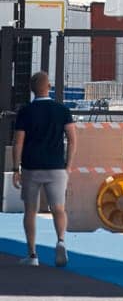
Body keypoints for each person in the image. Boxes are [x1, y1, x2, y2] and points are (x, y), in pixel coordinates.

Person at [11, 72, 75, 267]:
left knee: (30, 210)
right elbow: (72, 139)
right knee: (58, 208)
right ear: (49, 86)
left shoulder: (25, 111)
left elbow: (18, 141)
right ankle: (61, 240)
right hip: (56, 166)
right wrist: (68, 165)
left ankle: (32, 254)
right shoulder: (62, 110)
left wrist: (16, 168)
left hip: (31, 167)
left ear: (32, 89)